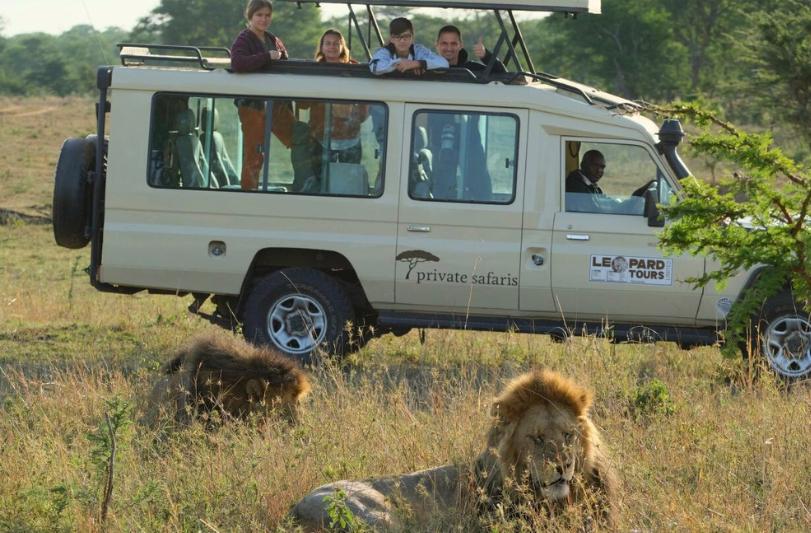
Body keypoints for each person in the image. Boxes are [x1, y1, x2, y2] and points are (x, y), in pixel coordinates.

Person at [293, 29, 371, 192]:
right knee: (320, 184)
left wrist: (353, 118)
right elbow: (303, 103)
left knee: (348, 187)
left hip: (350, 139)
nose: (332, 47)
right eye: (327, 43)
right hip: (320, 138)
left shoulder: (355, 70)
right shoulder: (314, 70)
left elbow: (364, 106)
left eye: (336, 43)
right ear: (321, 47)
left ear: (343, 46)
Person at [230, 0, 294, 190]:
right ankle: (249, 194)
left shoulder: (273, 39)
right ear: (250, 17)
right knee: (255, 153)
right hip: (252, 105)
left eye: (267, 15)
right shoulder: (244, 39)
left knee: (300, 140)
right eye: (259, 15)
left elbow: (285, 62)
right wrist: (267, 57)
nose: (264, 19)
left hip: (276, 104)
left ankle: (306, 186)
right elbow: (238, 63)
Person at [369, 17, 448, 76]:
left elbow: (443, 63)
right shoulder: (385, 52)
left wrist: (417, 64)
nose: (402, 40)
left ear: (412, 38)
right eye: (397, 36)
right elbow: (374, 67)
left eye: (406, 36)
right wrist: (401, 63)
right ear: (391, 39)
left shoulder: (419, 50)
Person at [435, 25, 506, 75]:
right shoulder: (427, 68)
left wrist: (486, 55)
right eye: (444, 43)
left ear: (461, 45)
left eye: (453, 44)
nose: (449, 48)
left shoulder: (472, 68)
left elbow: (503, 75)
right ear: (437, 45)